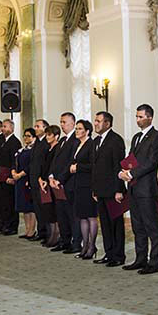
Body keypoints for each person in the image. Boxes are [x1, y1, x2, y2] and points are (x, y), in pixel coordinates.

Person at [119, 104, 158, 274]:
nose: (138, 120)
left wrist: (131, 174)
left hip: (146, 189)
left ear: (150, 117)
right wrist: (123, 171)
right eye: (136, 117)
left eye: (141, 117)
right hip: (133, 188)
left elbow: (151, 162)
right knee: (137, 226)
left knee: (152, 226)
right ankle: (140, 259)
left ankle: (154, 262)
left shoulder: (156, 137)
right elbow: (131, 159)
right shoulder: (137, 137)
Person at [91, 111, 126, 267]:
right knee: (105, 224)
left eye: (98, 121)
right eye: (95, 120)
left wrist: (119, 190)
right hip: (100, 190)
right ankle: (109, 253)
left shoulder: (115, 140)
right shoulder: (96, 141)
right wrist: (94, 189)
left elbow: (118, 166)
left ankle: (118, 255)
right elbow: (95, 168)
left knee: (116, 225)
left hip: (113, 191)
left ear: (107, 123)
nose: (95, 123)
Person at [66, 119, 97, 260]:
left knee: (90, 216)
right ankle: (84, 246)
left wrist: (78, 167)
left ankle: (92, 246)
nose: (77, 131)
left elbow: (93, 165)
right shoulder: (78, 144)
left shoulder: (91, 144)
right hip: (78, 184)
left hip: (88, 185)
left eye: (79, 129)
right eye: (76, 128)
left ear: (87, 131)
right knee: (82, 216)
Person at [55, 113, 82, 253]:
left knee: (72, 215)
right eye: (61, 122)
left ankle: (75, 243)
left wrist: (60, 179)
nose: (62, 124)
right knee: (61, 214)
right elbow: (55, 161)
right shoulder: (62, 140)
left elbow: (71, 162)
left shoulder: (75, 140)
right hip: (58, 183)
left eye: (64, 122)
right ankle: (64, 241)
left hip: (69, 183)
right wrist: (51, 176)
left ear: (72, 123)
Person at [0, 119, 22, 236]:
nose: (3, 129)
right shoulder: (4, 141)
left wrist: (12, 176)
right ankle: (4, 224)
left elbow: (14, 161)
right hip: (2, 176)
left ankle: (12, 226)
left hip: (9, 176)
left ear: (11, 128)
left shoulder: (14, 142)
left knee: (10, 203)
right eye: (2, 126)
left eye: (5, 126)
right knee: (4, 202)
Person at [27, 120, 51, 242]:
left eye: (38, 126)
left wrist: (43, 178)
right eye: (35, 126)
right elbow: (32, 163)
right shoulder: (36, 142)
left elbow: (46, 164)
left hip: (42, 180)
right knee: (37, 208)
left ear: (45, 128)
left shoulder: (47, 143)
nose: (35, 128)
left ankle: (48, 233)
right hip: (34, 179)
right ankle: (41, 231)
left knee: (44, 208)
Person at [39, 125, 62, 248]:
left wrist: (48, 179)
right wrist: (40, 178)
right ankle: (51, 235)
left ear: (56, 136)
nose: (47, 137)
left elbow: (54, 167)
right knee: (48, 210)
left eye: (49, 135)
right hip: (44, 182)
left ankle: (56, 236)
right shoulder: (48, 149)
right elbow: (43, 166)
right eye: (46, 135)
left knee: (53, 211)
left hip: (51, 183)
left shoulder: (58, 148)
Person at [11, 127, 37, 239]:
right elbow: (15, 162)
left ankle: (32, 230)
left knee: (30, 207)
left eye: (28, 136)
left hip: (27, 179)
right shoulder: (22, 150)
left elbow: (31, 165)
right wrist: (13, 171)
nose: (26, 138)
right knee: (23, 207)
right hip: (19, 180)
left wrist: (20, 174)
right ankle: (27, 229)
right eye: (25, 136)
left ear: (34, 137)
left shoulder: (34, 150)